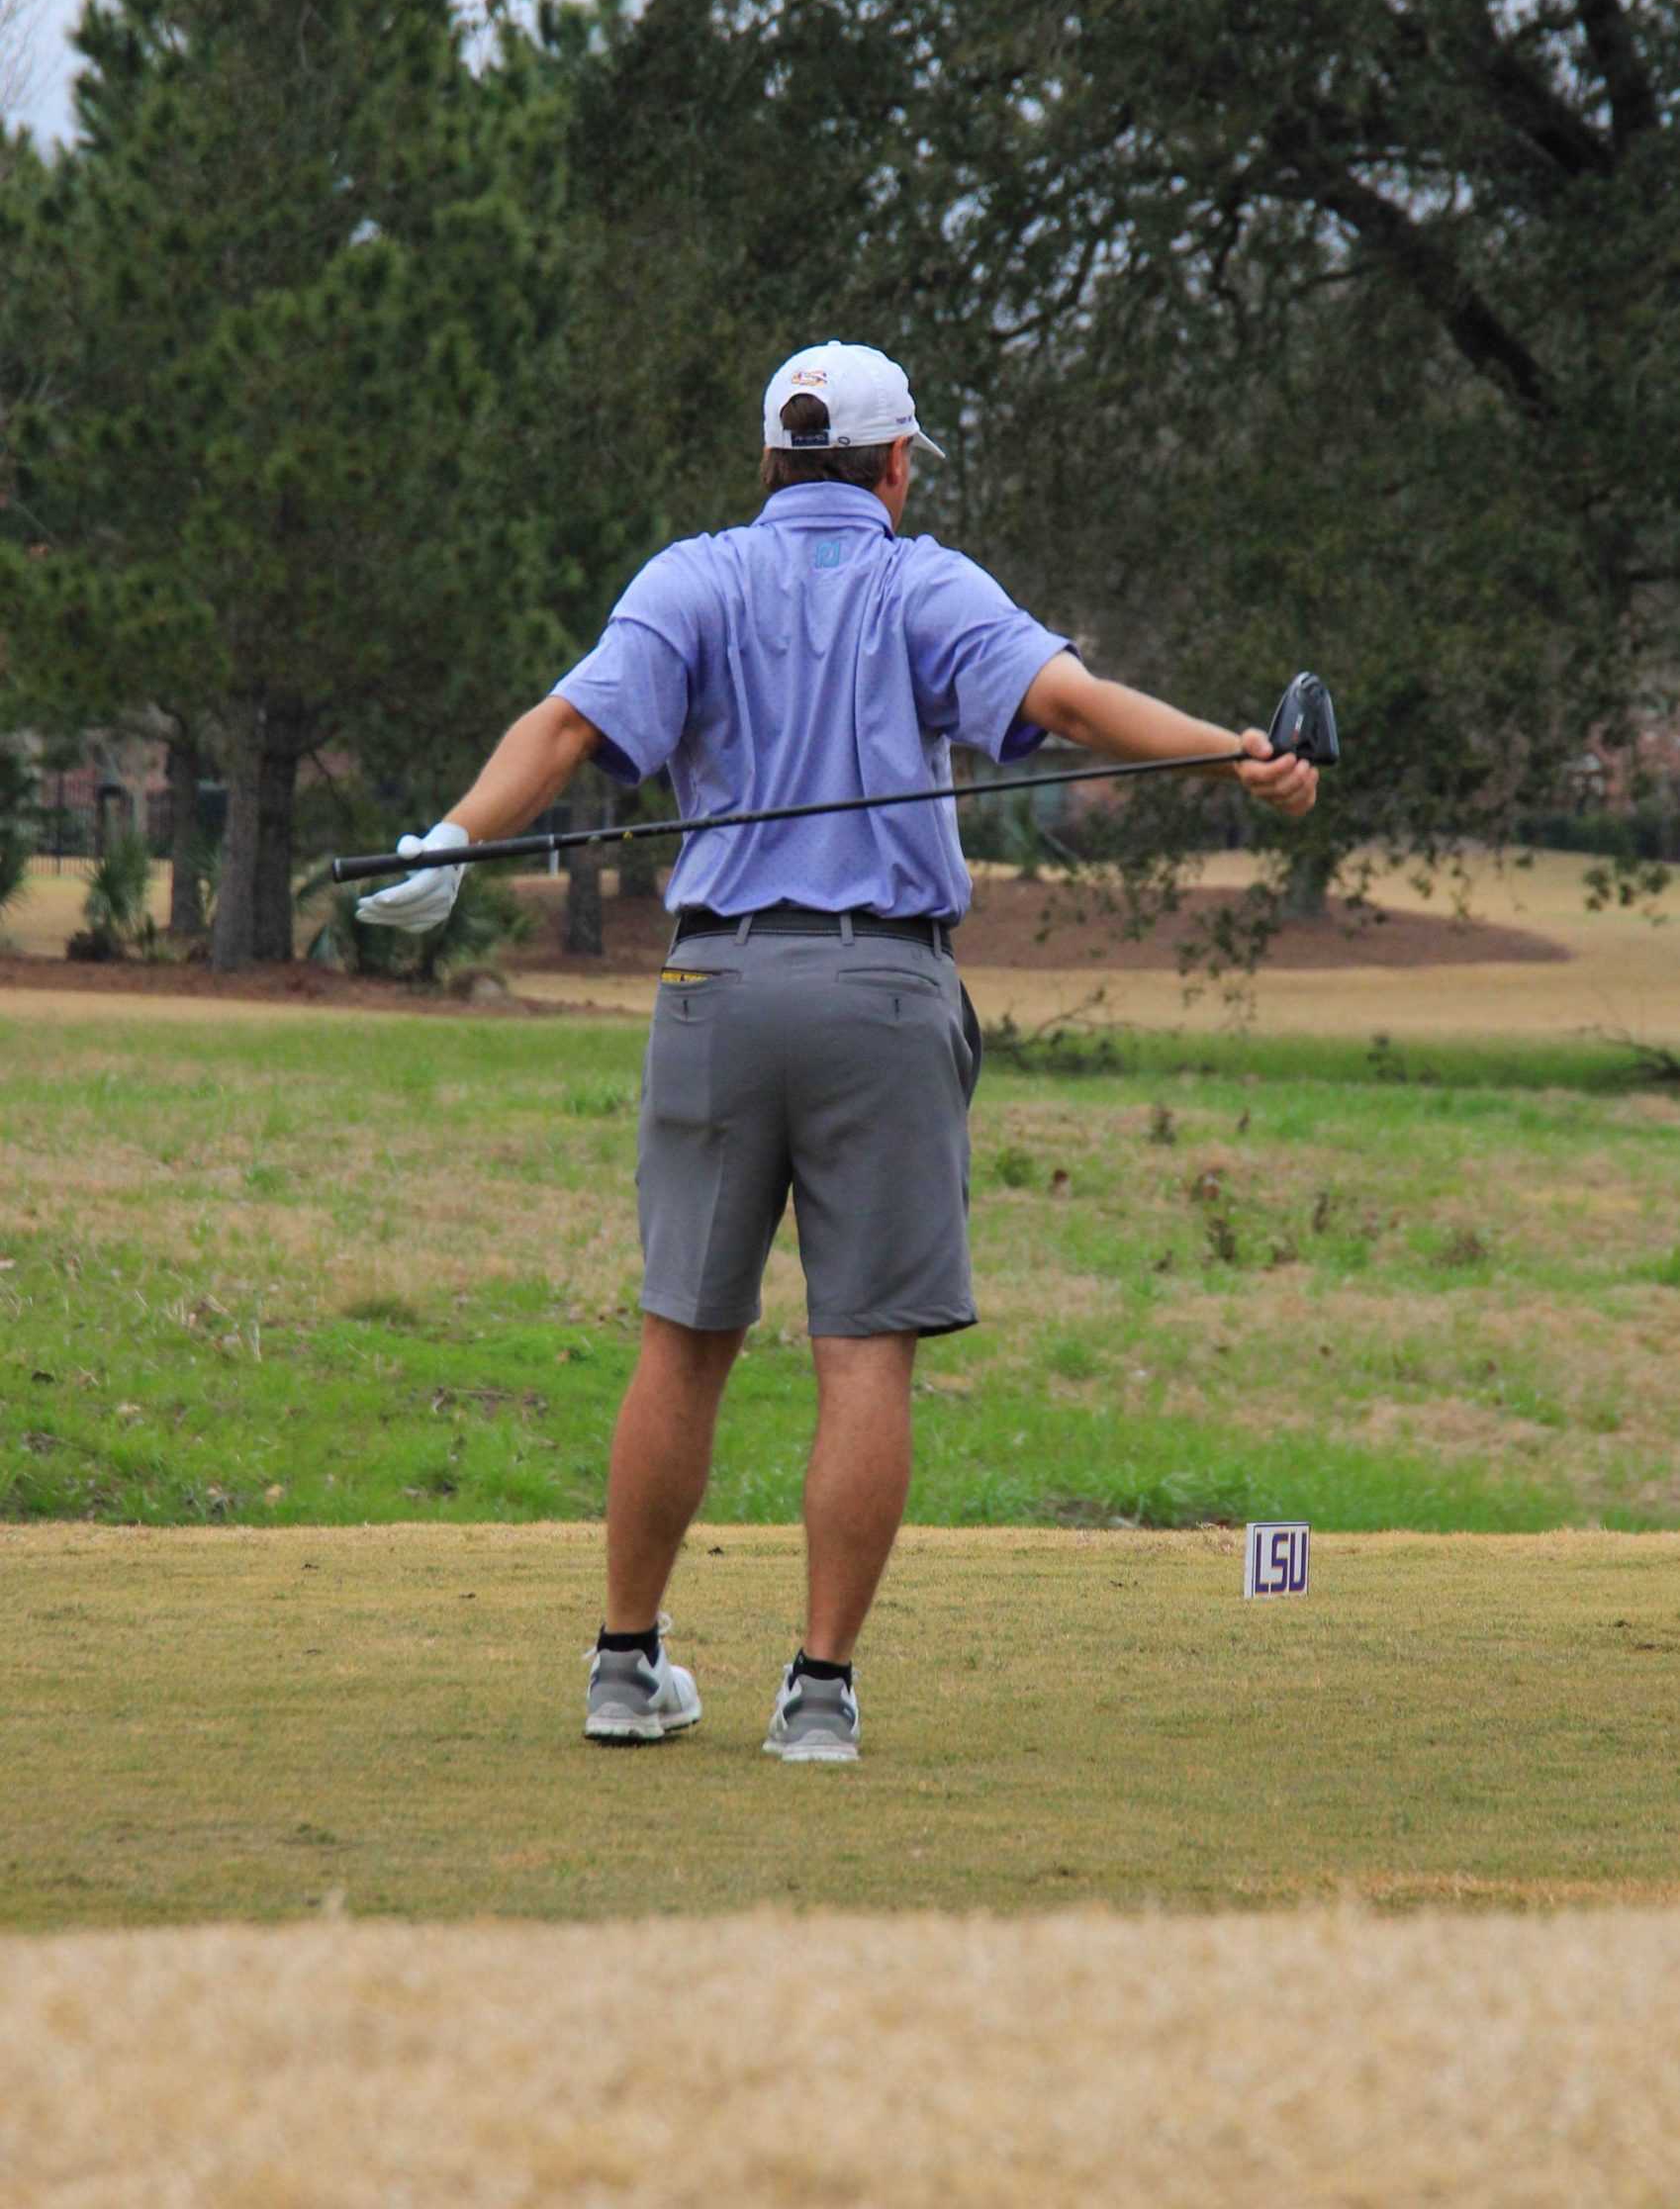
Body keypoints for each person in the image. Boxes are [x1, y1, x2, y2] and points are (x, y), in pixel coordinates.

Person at [358, 338, 1319, 1763]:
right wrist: (1225, 750)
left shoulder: (690, 577)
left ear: (766, 461)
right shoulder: (928, 580)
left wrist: (454, 839)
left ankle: (624, 1668)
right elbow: (1066, 704)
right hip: (881, 990)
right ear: (896, 463)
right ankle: (817, 1696)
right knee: (861, 1350)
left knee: (684, 1336)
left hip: (711, 988)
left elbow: (563, 727)